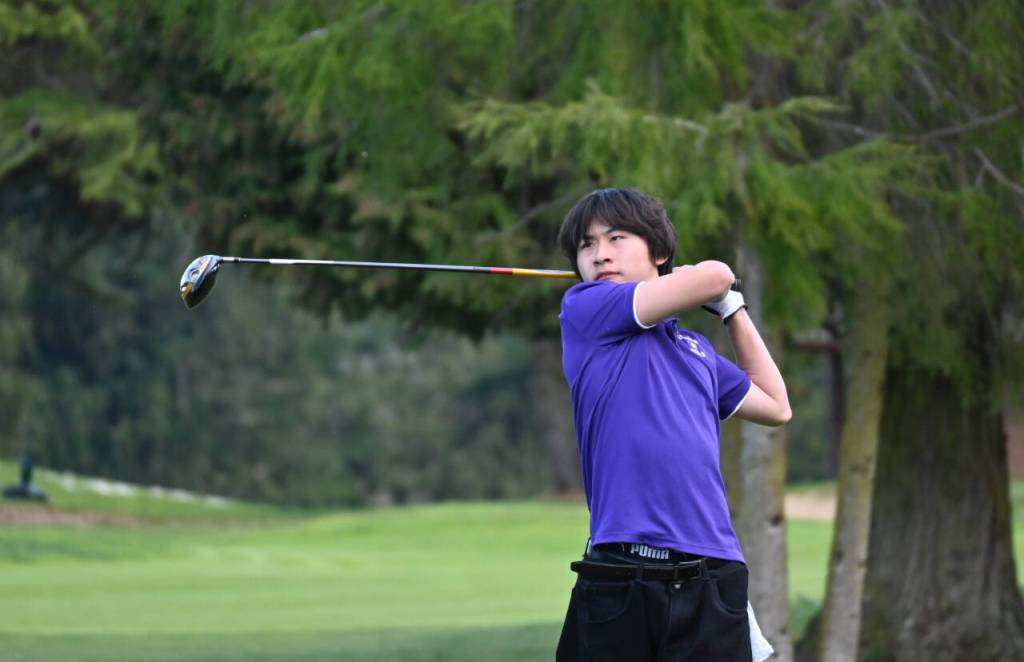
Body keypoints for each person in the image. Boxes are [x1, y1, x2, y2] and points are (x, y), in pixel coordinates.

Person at [554, 188, 790, 662]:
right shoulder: (586, 310)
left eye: (616, 238)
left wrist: (732, 311)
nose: (600, 254)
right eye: (586, 245)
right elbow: (717, 274)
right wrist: (709, 282)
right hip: (621, 573)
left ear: (658, 251)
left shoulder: (695, 351)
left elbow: (775, 405)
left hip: (712, 572)